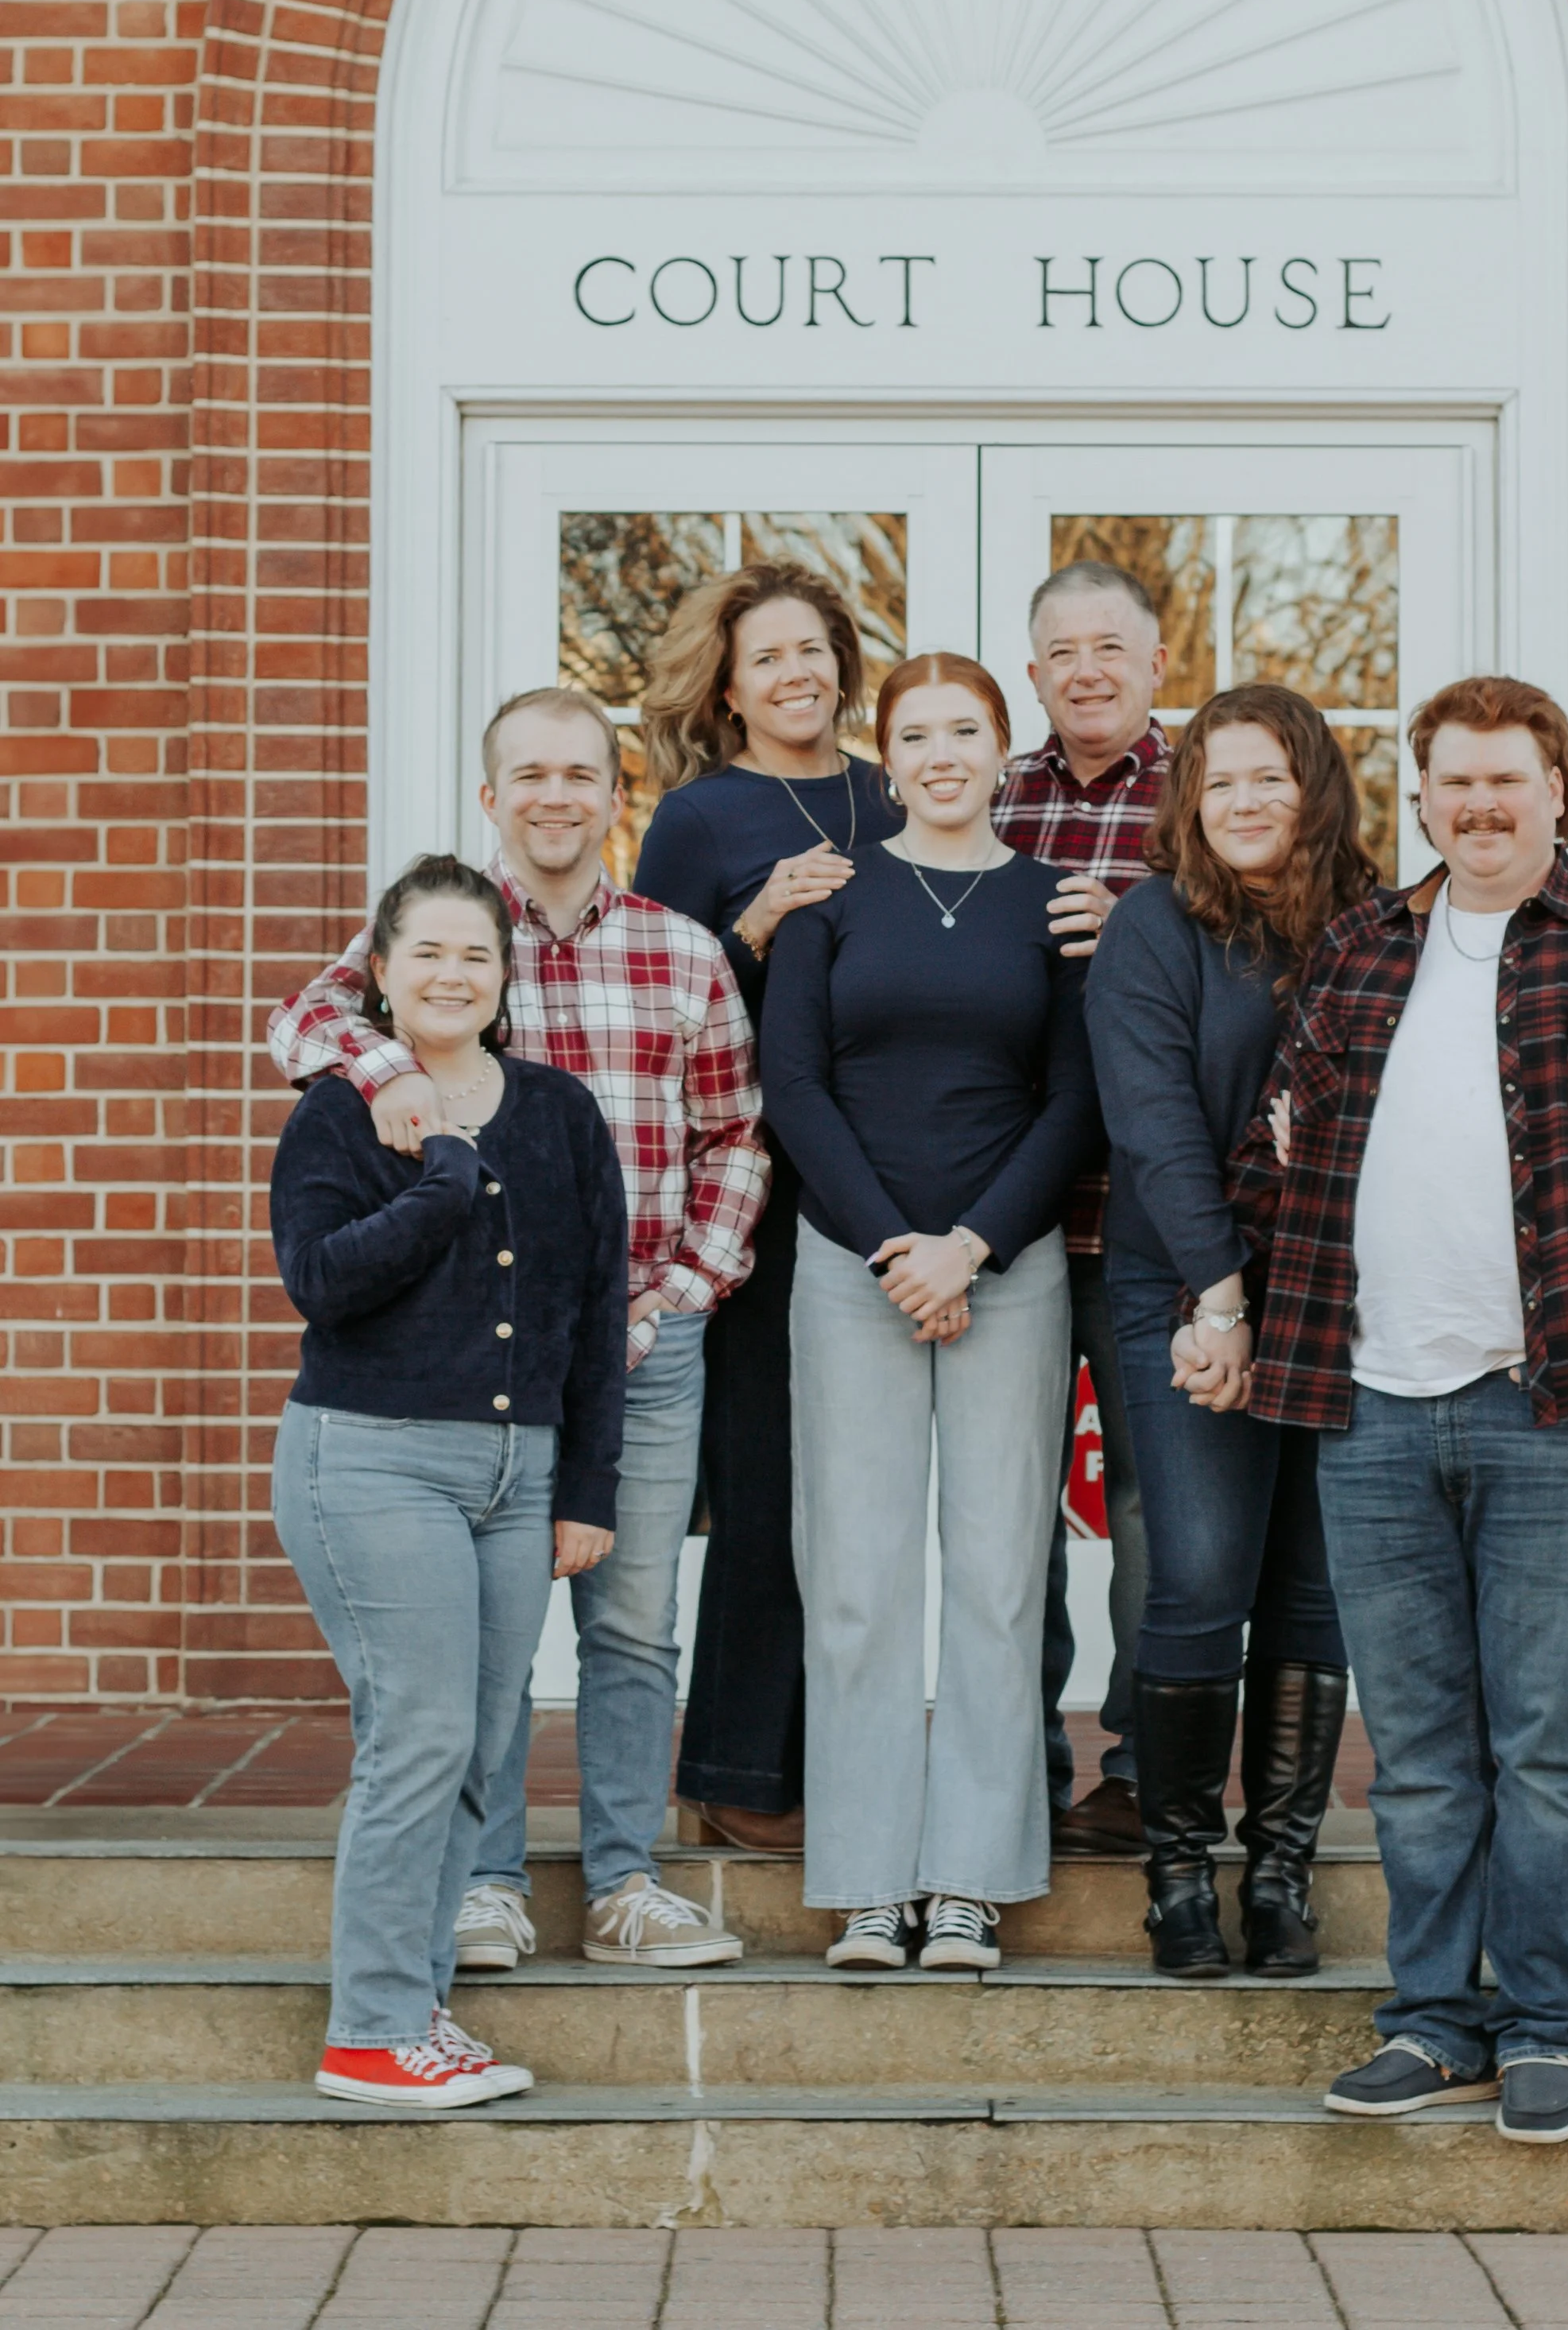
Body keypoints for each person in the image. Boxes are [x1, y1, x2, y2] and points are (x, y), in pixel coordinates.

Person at [1232, 676, 1568, 2145]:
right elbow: (1281, 1160)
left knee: (1550, 1744)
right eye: (1453, 783)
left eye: (1507, 781)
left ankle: (1549, 2025)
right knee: (1421, 1751)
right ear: (1426, 795)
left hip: (1555, 1410)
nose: (1479, 807)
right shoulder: (1360, 949)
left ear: (1559, 791)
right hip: (1373, 1405)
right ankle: (1433, 2018)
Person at [269, 689, 767, 1973]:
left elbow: (735, 1133)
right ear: (491, 795)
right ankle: (483, 1881)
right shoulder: (449, 932)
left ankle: (622, 1878)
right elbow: (306, 1023)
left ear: (619, 794)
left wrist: (685, 1285)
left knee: (631, 1621)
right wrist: (388, 1071)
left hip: (647, 1338)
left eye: (582, 774)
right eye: (529, 773)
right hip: (481, 1366)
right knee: (486, 1642)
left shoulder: (681, 951)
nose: (557, 794)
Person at [761, 653, 1105, 1972]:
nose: (942, 752)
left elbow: (1074, 1097)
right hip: (852, 1272)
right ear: (883, 753)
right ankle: (864, 1881)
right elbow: (794, 1084)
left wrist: (968, 1248)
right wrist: (897, 1250)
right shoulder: (832, 900)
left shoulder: (1054, 903)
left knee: (1000, 1572)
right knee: (854, 1578)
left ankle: (968, 1876)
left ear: (1002, 749)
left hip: (1008, 1269)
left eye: (966, 729)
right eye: (916, 733)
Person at [269, 857, 626, 2108]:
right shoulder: (336, 1110)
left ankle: (418, 2004)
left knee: (478, 1742)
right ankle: (368, 2028)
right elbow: (320, 1281)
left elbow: (591, 1307)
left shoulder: (562, 1111)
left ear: (503, 974)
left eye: (475, 954)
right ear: (379, 971)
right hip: (373, 1458)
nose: (451, 974)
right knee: (415, 1733)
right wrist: (441, 1179)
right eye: (425, 952)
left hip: (518, 1477)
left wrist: (586, 1487)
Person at [1086, 686, 1374, 1979]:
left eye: (1272, 776)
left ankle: (1281, 1875)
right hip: (1183, 1289)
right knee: (1201, 1576)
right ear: (1189, 801)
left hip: (1344, 1297)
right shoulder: (1156, 926)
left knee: (1313, 1588)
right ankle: (1180, 1876)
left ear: (1316, 786)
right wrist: (1219, 1297)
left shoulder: (1376, 926)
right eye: (1221, 781)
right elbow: (1151, 1126)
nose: (1248, 801)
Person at [633, 562, 903, 1848]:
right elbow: (654, 1020)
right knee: (767, 1478)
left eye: (816, 648)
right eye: (770, 656)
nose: (799, 672)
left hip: (893, 1175)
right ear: (730, 685)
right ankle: (739, 1772)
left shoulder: (898, 788)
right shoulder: (698, 819)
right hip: (758, 1189)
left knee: (867, 1489)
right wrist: (752, 922)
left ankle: (861, 1750)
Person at [993, 560, 1172, 1858]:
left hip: (1155, 1221)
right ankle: (1019, 1759)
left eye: (1111, 645)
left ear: (1157, 663)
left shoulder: (1210, 794)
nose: (1088, 669)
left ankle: (1145, 1768)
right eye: (1063, 650)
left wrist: (1141, 932)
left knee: (1164, 1512)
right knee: (1011, 1509)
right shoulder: (990, 798)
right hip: (1008, 1218)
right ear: (1036, 671)